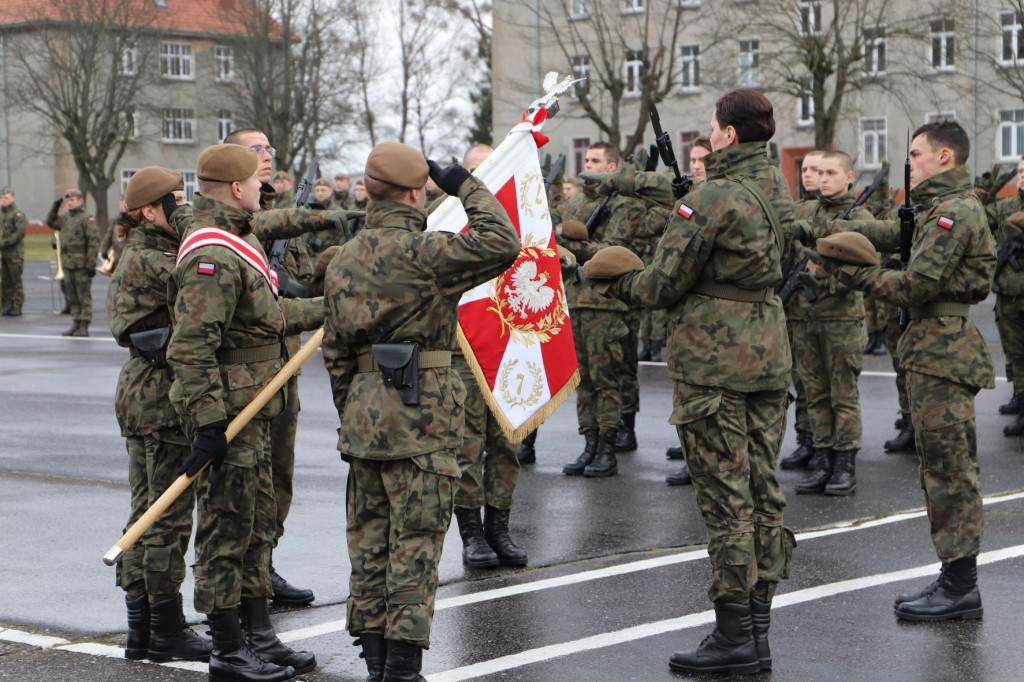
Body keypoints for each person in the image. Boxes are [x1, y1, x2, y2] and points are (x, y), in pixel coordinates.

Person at [583, 89, 795, 674]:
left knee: (727, 501)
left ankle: (735, 637)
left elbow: (657, 286)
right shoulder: (778, 187)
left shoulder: (712, 197)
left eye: (712, 126)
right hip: (769, 356)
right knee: (762, 493)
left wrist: (610, 279)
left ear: (727, 135)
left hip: (714, 365)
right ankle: (756, 631)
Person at [321, 141, 519, 681]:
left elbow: (335, 350)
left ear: (369, 191)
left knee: (369, 546)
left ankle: (377, 666)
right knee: (415, 545)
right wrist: (465, 185)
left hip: (364, 422)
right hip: (423, 421)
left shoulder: (342, 259)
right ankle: (403, 671)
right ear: (416, 191)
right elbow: (503, 243)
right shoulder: (425, 252)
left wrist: (358, 407)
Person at [800, 120, 993, 621]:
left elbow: (914, 286)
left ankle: (961, 585)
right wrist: (827, 230)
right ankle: (954, 576)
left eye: (917, 153)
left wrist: (848, 270)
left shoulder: (953, 213)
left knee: (951, 472)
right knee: (938, 469)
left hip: (945, 353)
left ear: (945, 157)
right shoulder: (934, 210)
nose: (911, 162)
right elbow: (888, 231)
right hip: (932, 351)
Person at [168, 143, 323, 681]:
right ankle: (228, 649)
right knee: (226, 529)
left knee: (255, 524)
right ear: (236, 189)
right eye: (254, 182)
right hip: (232, 413)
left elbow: (270, 315)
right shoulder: (212, 256)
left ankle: (259, 635)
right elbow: (189, 349)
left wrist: (336, 306)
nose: (263, 186)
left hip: (259, 408)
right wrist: (208, 421)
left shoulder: (240, 240)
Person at [107, 167, 212, 664]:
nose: (182, 207)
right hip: (159, 396)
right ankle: (164, 628)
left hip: (142, 392)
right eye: (173, 201)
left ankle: (142, 628)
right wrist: (191, 219)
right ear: (150, 211)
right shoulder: (153, 258)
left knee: (146, 510)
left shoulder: (140, 253)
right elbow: (208, 266)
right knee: (165, 515)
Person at [222, 127, 329, 609]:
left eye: (269, 149)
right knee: (244, 482)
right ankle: (239, 580)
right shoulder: (226, 223)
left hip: (287, 365)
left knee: (279, 476)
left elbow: (303, 284)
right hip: (244, 371)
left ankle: (265, 564)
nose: (267, 157)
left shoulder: (283, 219)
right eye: (256, 150)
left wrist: (303, 280)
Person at [449, 144, 528, 570]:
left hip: (507, 338)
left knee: (505, 441)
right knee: (467, 442)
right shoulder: (442, 213)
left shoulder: (513, 209)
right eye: (473, 171)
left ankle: (499, 528)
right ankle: (472, 534)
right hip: (462, 341)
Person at [557, 142, 647, 477]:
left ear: (612, 168)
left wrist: (578, 247)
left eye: (595, 161)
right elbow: (560, 243)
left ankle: (607, 447)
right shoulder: (576, 202)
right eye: (586, 159)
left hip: (607, 305)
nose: (587, 166)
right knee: (585, 380)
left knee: (608, 379)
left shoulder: (624, 204)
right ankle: (590, 444)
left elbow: (616, 251)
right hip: (577, 300)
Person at [787, 151, 871, 497]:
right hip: (806, 318)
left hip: (840, 317)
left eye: (831, 172)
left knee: (843, 395)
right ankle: (822, 459)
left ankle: (844, 463)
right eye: (819, 171)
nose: (822, 178)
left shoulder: (862, 217)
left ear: (849, 177)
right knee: (815, 392)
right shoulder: (805, 211)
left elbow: (860, 269)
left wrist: (820, 278)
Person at [663, 135, 715, 483]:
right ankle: (692, 453)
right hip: (685, 309)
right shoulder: (686, 198)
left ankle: (704, 459)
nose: (696, 165)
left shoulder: (716, 200)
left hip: (712, 313)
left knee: (708, 391)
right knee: (686, 388)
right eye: (693, 159)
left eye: (702, 159)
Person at [777, 150, 825, 470]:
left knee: (820, 384)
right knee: (800, 379)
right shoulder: (795, 208)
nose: (807, 175)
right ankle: (805, 440)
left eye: (815, 169)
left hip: (821, 310)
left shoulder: (834, 211)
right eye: (804, 169)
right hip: (794, 308)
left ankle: (824, 445)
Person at [984, 156, 1024, 436]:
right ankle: (1022, 405)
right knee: (1017, 355)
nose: (1022, 175)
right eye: (1021, 171)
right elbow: (975, 215)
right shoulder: (1006, 207)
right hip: (1009, 297)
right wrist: (987, 188)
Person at [47, 188, 100, 336]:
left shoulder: (86, 217)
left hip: (81, 263)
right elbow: (51, 222)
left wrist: (91, 263)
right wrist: (55, 206)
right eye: (68, 200)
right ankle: (76, 322)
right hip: (68, 263)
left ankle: (84, 324)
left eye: (72, 200)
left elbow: (93, 242)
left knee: (83, 295)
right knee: (72, 295)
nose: (69, 203)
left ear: (80, 200)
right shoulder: (65, 217)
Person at [0, 187, 27, 317]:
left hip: (14, 253)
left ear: (13, 198)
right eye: (1, 198)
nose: (3, 200)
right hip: (3, 254)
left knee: (15, 280)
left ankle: (17, 305)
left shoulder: (18, 215)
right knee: (5, 280)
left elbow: (19, 233)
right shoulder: (1, 215)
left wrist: (3, 243)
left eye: (6, 198)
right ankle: (6, 304)